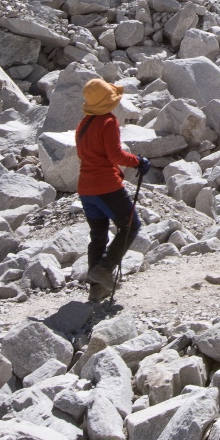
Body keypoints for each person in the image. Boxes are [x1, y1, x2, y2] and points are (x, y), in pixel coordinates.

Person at [76, 77, 150, 301]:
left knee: (98, 237)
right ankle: (104, 269)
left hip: (86, 189)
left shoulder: (83, 125)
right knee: (130, 225)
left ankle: (96, 288)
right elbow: (115, 155)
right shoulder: (108, 122)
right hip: (106, 186)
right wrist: (138, 161)